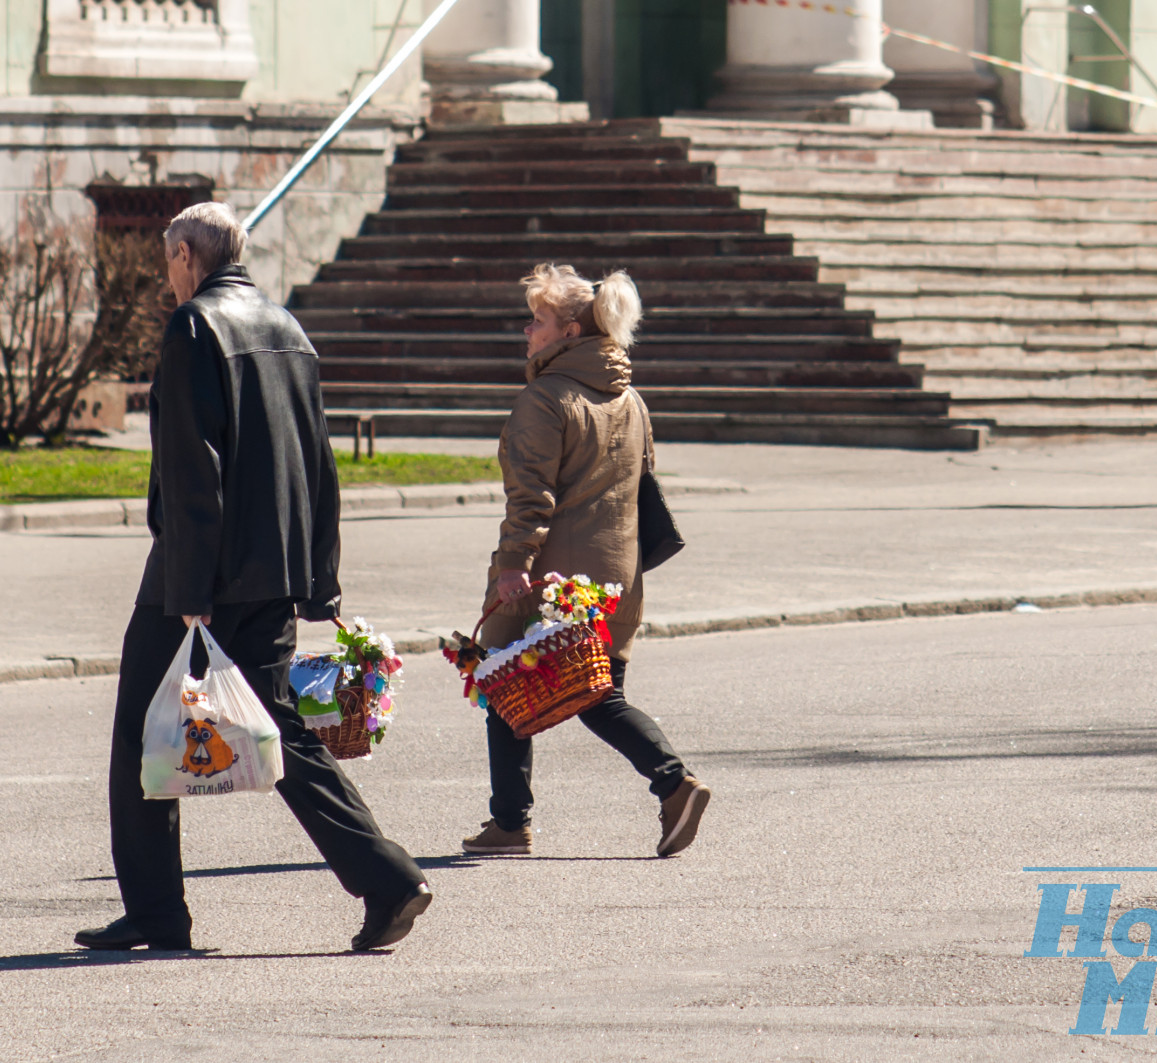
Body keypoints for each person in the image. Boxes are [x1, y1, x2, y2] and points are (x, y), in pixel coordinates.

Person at [75, 202, 431, 953]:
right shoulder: (288, 329)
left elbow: (191, 468)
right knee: (281, 730)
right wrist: (320, 581)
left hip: (196, 577)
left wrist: (189, 592)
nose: (166, 276)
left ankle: (157, 911)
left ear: (184, 256)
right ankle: (388, 877)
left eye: (166, 261)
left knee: (142, 734)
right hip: (273, 572)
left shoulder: (193, 327)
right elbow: (320, 467)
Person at [461, 263, 711, 859]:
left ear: (570, 332)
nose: (527, 330)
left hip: (548, 577)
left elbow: (530, 497)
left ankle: (671, 783)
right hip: (615, 574)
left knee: (515, 684)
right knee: (575, 690)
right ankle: (510, 821)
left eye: (538, 321)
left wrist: (512, 564)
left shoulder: (544, 400)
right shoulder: (631, 397)